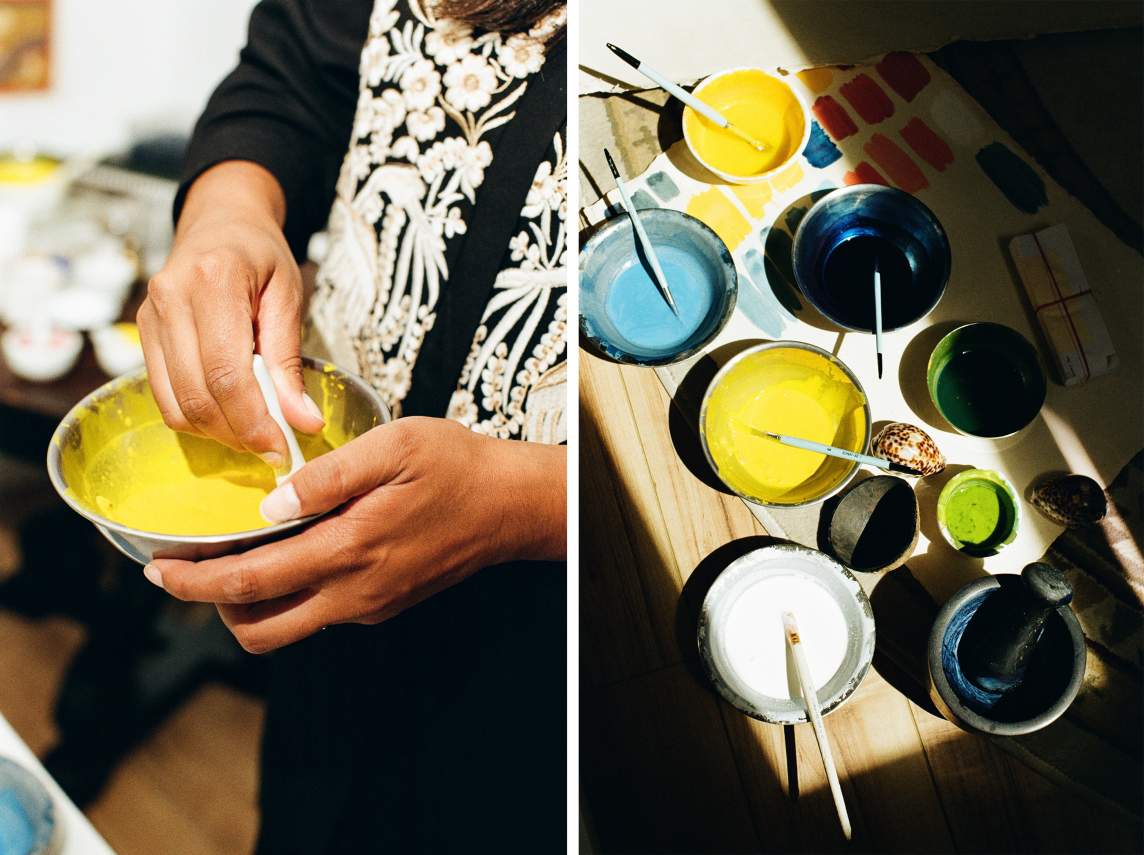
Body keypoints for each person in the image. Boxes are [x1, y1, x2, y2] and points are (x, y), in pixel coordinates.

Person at [135, 1, 567, 850]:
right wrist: (226, 217)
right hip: (331, 578)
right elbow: (291, 72)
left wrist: (536, 500)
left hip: (558, 654)